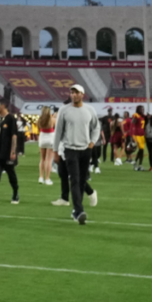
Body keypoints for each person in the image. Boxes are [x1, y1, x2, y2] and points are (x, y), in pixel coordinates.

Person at [52, 84, 100, 225]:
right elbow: (58, 132)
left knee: (81, 181)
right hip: (70, 149)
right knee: (74, 179)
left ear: (82, 95)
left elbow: (96, 127)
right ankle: (79, 211)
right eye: (72, 92)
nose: (73, 95)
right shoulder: (64, 110)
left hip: (85, 149)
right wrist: (55, 151)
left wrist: (92, 143)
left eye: (76, 92)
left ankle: (75, 210)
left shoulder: (89, 110)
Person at [0, 98, 19, 204]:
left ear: (3, 106)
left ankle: (15, 193)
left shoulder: (11, 118)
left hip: (7, 153)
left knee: (11, 174)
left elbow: (14, 136)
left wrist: (13, 151)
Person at [37, 106, 55, 185]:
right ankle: (47, 179)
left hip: (42, 137)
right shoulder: (52, 120)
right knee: (48, 160)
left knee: (42, 159)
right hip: (50, 138)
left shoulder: (39, 120)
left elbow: (38, 129)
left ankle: (41, 177)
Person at [130, 106, 147, 171]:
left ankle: (136, 163)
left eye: (143, 109)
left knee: (141, 150)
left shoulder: (143, 116)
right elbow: (132, 124)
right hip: (137, 135)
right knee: (141, 150)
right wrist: (132, 135)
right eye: (141, 109)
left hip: (142, 135)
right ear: (138, 109)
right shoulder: (136, 115)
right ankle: (139, 164)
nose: (142, 110)